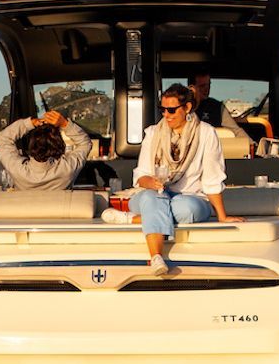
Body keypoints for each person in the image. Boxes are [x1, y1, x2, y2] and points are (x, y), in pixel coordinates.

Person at [100, 84, 242, 275]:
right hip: (153, 194)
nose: (166, 115)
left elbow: (212, 177)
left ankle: (132, 219)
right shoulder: (152, 133)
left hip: (192, 198)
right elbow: (140, 175)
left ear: (188, 108)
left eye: (172, 110)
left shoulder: (206, 133)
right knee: (153, 198)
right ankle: (156, 257)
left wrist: (222, 216)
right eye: (163, 109)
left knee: (187, 209)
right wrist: (150, 183)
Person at [0, 110, 92, 190]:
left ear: (31, 145)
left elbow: (3, 138)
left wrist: (29, 124)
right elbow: (85, 143)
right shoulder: (67, 168)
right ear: (60, 145)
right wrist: (65, 124)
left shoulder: (17, 170)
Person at [187, 73, 249, 139]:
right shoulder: (182, 106)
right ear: (191, 88)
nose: (207, 89)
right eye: (202, 86)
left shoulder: (217, 107)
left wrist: (252, 145)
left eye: (208, 85)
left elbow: (235, 130)